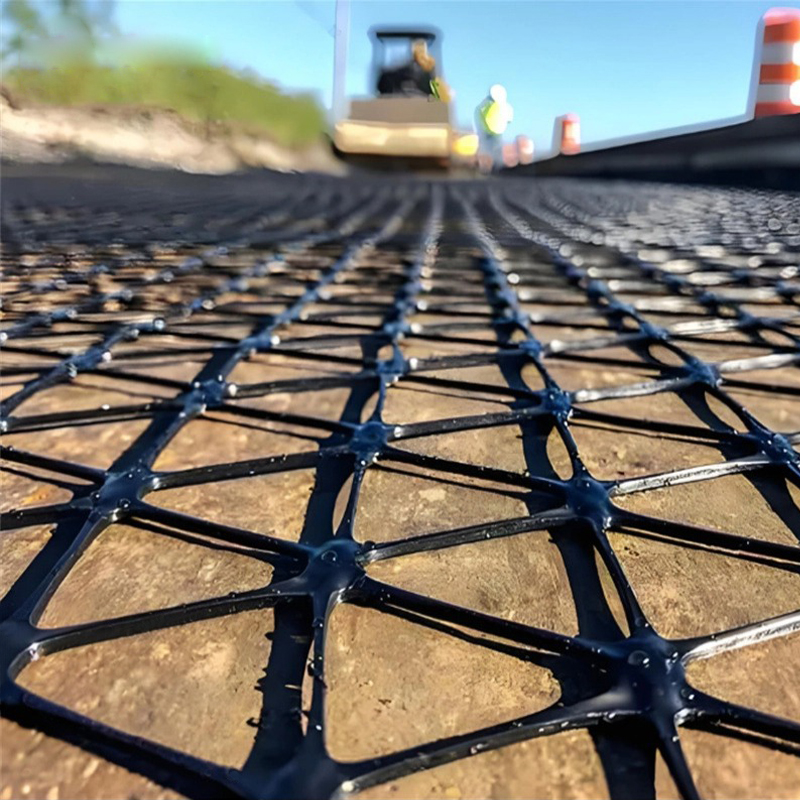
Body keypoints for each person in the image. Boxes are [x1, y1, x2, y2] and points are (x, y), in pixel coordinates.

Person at [475, 84, 514, 172]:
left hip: (486, 132)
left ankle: (486, 168)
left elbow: (478, 115)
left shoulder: (483, 105)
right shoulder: (502, 106)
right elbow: (509, 119)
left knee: (486, 149)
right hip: (494, 133)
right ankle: (494, 168)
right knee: (494, 151)